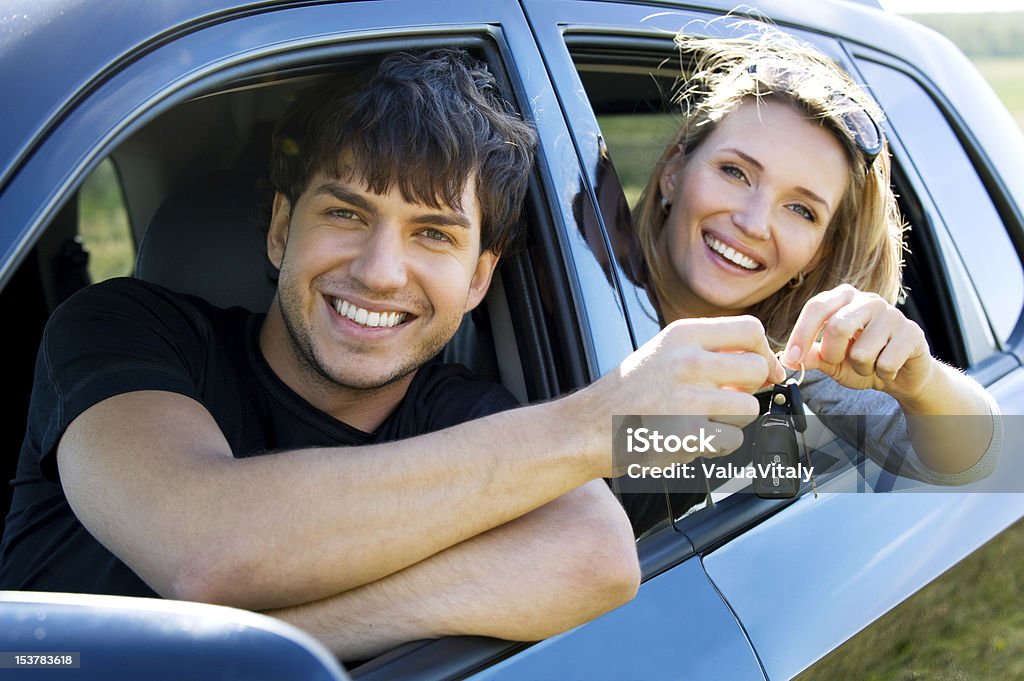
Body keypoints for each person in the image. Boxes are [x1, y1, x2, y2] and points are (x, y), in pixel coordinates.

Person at [0, 48, 679, 661]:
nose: (381, 272)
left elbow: (599, 556)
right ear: (279, 229)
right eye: (347, 214)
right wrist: (588, 425)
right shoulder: (121, 330)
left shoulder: (465, 414)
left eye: (434, 234)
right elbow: (206, 550)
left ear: (478, 279)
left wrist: (306, 629)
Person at [625, 25, 1000, 524]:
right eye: (735, 172)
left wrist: (922, 381)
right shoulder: (530, 294)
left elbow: (981, 461)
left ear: (818, 256)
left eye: (800, 210)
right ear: (675, 170)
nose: (754, 223)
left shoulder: (797, 361)